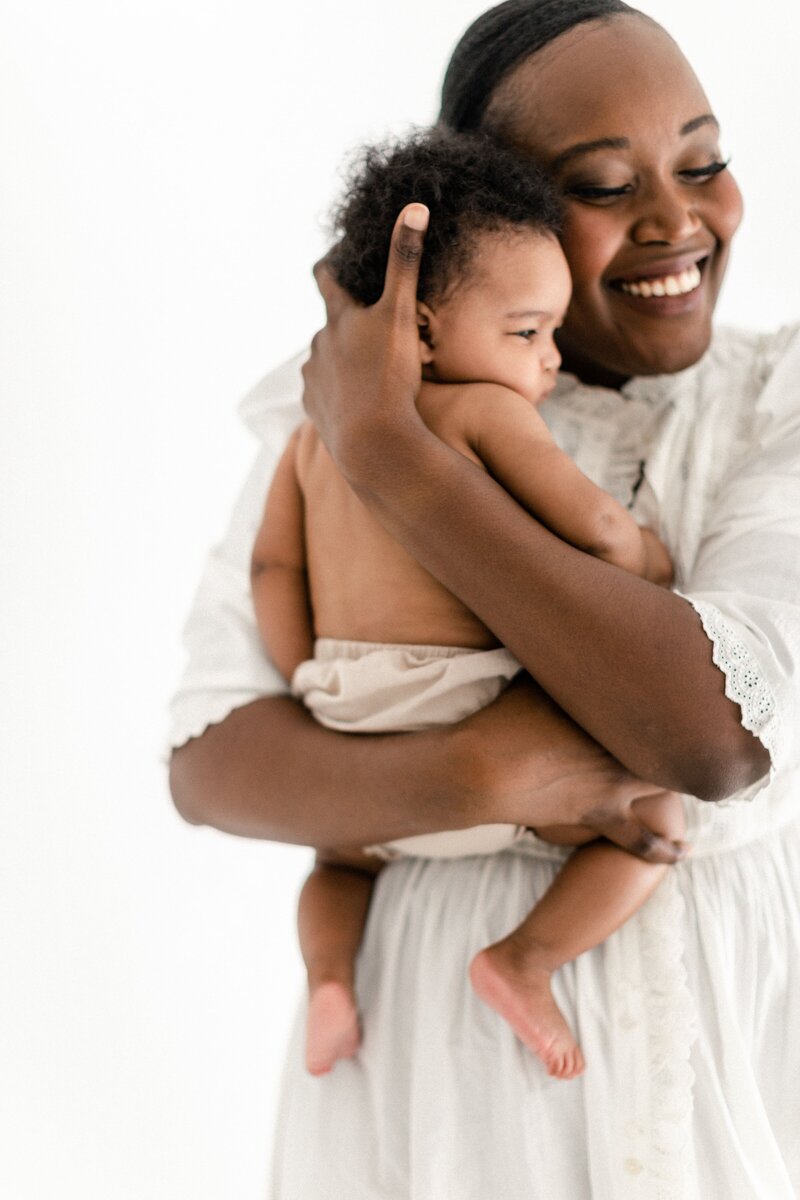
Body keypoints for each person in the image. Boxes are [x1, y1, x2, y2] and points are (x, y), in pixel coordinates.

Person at [169, 1, 800, 1195]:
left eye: (703, 162)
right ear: (496, 217)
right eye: (605, 184)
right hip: (442, 1078)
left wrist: (398, 460)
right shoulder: (345, 408)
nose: (676, 218)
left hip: (733, 1049)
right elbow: (208, 756)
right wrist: (486, 777)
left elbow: (716, 736)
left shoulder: (776, 399)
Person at [251, 126, 682, 1082]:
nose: (550, 362)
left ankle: (330, 979)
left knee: (339, 864)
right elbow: (600, 532)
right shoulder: (486, 412)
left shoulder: (311, 439)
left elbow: (273, 575)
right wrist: (655, 560)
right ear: (422, 329)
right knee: (660, 821)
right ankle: (524, 962)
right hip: (470, 711)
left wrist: (305, 681)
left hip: (346, 719)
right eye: (528, 333)